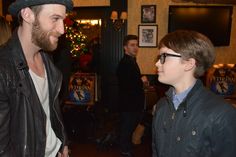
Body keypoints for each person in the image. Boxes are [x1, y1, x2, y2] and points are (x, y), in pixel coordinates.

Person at [0, 0, 73, 156]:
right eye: (55, 18)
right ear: (27, 14)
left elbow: (51, 110)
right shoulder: (3, 68)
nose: (62, 29)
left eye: (63, 20)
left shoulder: (47, 60)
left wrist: (62, 142)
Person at [152, 30, 236, 157]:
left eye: (164, 57)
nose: (157, 63)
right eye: (159, 58)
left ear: (189, 64)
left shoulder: (221, 113)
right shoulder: (161, 106)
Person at [117, 35, 148, 157]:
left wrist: (140, 79)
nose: (136, 48)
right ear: (125, 47)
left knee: (129, 127)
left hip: (132, 103)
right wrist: (141, 80)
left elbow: (131, 80)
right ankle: (124, 150)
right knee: (127, 128)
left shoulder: (131, 61)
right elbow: (127, 85)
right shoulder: (125, 63)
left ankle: (125, 147)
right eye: (132, 45)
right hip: (128, 103)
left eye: (137, 45)